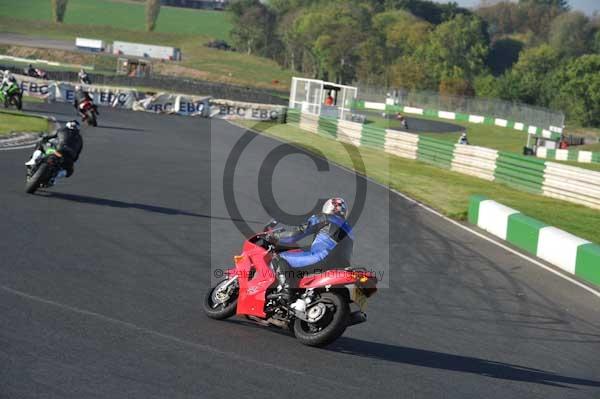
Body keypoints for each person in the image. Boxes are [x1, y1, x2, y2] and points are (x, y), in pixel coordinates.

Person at [266, 198, 354, 302]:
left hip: (321, 259)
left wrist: (274, 235)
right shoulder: (350, 230)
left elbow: (293, 236)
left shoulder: (323, 217)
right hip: (341, 266)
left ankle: (287, 291)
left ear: (328, 207)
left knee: (278, 258)